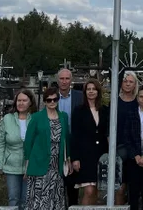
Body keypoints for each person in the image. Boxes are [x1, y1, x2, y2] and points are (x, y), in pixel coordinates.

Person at [24, 84, 71, 210]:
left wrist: (69, 159)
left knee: (56, 197)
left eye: (55, 99)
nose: (52, 102)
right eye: (49, 100)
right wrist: (27, 164)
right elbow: (28, 141)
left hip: (57, 164)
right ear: (44, 102)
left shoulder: (64, 116)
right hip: (39, 162)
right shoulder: (36, 117)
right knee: (38, 198)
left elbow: (67, 138)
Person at [70, 79, 109, 206]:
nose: (91, 92)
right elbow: (75, 135)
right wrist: (75, 158)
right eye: (88, 89)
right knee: (88, 190)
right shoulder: (79, 111)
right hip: (85, 156)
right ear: (85, 92)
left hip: (101, 155)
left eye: (94, 89)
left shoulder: (104, 110)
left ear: (98, 92)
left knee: (96, 190)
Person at [0, 88, 36, 209]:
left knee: (27, 199)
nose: (21, 103)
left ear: (30, 102)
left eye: (24, 100)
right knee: (13, 199)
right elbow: (0, 143)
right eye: (19, 100)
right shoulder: (7, 119)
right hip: (11, 166)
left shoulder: (36, 119)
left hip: (31, 166)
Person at [56, 68, 83, 204]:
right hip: (56, 144)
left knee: (72, 186)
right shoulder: (51, 97)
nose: (64, 81)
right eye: (62, 78)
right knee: (57, 186)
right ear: (57, 80)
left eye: (67, 79)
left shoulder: (80, 96)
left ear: (71, 80)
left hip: (74, 144)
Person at [116, 71, 139, 205]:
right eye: (125, 81)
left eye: (131, 81)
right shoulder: (115, 102)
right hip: (118, 148)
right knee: (120, 186)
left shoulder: (139, 102)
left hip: (135, 149)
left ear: (135, 84)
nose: (128, 84)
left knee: (134, 187)